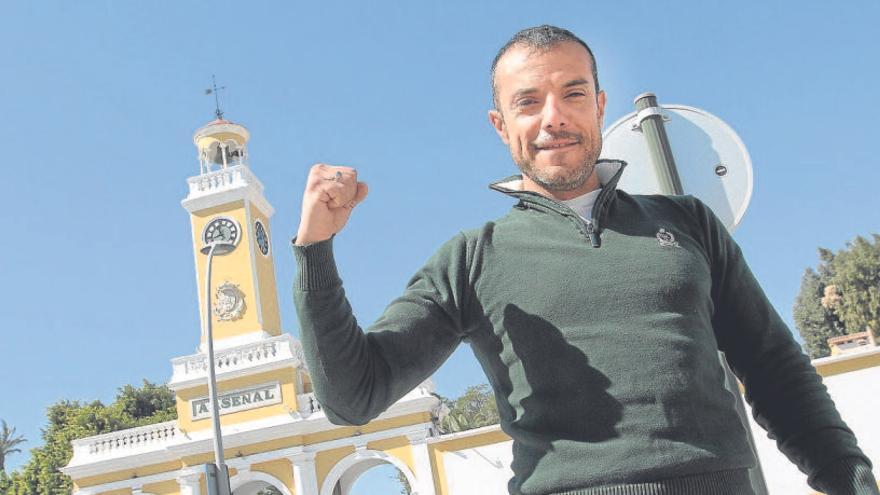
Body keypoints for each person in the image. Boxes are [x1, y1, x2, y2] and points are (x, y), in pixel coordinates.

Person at [291, 25, 877, 495]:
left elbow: (777, 370)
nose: (554, 117)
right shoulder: (470, 260)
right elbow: (353, 395)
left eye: (573, 93)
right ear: (501, 126)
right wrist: (316, 251)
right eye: (528, 102)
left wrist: (852, 481)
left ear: (598, 106)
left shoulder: (686, 222)